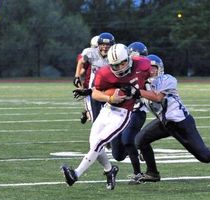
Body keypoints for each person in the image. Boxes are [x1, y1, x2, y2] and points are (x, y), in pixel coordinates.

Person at [135, 54, 210, 189]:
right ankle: (152, 173)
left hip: (181, 123)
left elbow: (158, 97)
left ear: (160, 69)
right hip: (165, 123)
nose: (151, 71)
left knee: (204, 156)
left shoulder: (167, 79)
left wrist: (136, 91)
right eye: (148, 69)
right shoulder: (141, 85)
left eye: (153, 68)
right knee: (140, 140)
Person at [62, 43, 151, 190]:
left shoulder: (142, 64)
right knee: (94, 144)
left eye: (122, 63)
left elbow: (154, 73)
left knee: (99, 143)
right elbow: (96, 93)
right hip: (108, 109)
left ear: (128, 59)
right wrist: (109, 99)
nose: (119, 68)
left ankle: (75, 175)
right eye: (115, 65)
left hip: (123, 114)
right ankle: (110, 170)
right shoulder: (105, 72)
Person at [110, 41, 149, 184]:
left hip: (137, 111)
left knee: (127, 139)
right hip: (120, 112)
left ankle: (138, 174)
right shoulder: (118, 69)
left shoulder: (146, 71)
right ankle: (137, 145)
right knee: (118, 155)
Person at [73, 32, 115, 124]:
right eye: (103, 44)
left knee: (110, 119)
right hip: (93, 91)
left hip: (109, 91)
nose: (105, 47)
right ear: (98, 45)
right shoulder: (91, 53)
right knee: (96, 120)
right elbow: (81, 61)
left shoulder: (115, 56)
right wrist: (77, 76)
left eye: (108, 45)